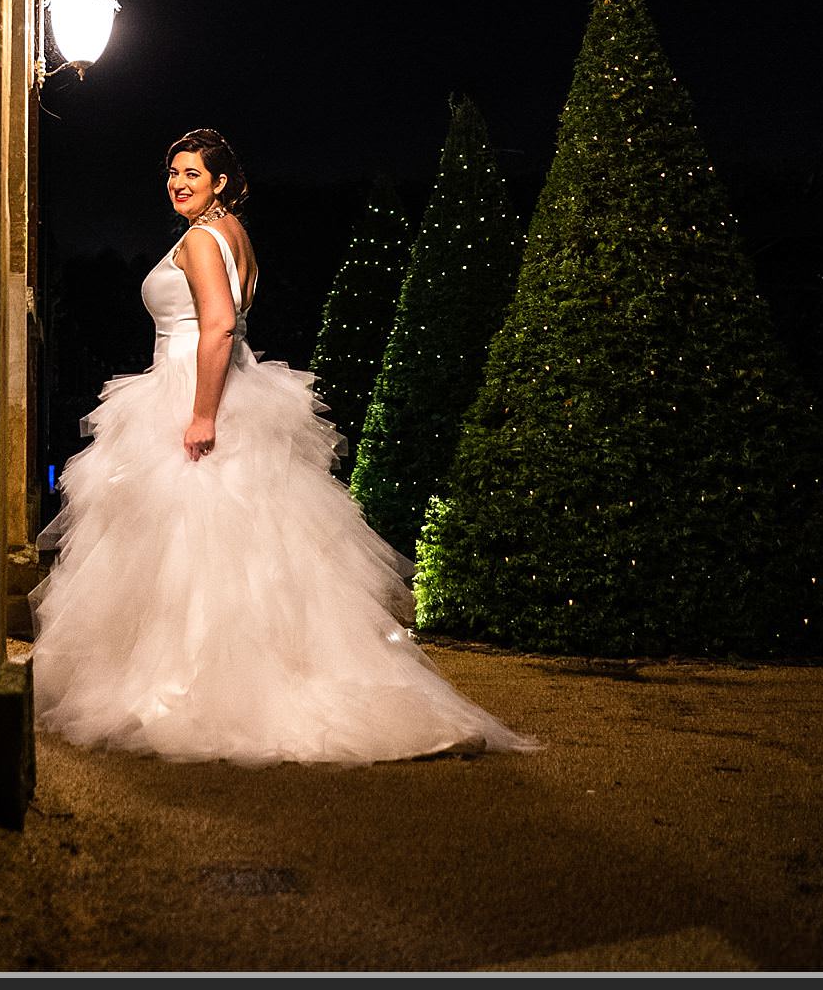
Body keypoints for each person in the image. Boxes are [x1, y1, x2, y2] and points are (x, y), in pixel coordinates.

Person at [29, 128, 537, 766]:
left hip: (197, 388)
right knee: (237, 542)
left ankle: (197, 684)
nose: (178, 183)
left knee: (190, 540)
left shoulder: (198, 241)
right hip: (226, 381)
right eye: (172, 173)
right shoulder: (235, 234)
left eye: (192, 173)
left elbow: (216, 327)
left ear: (220, 182)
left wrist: (201, 416)